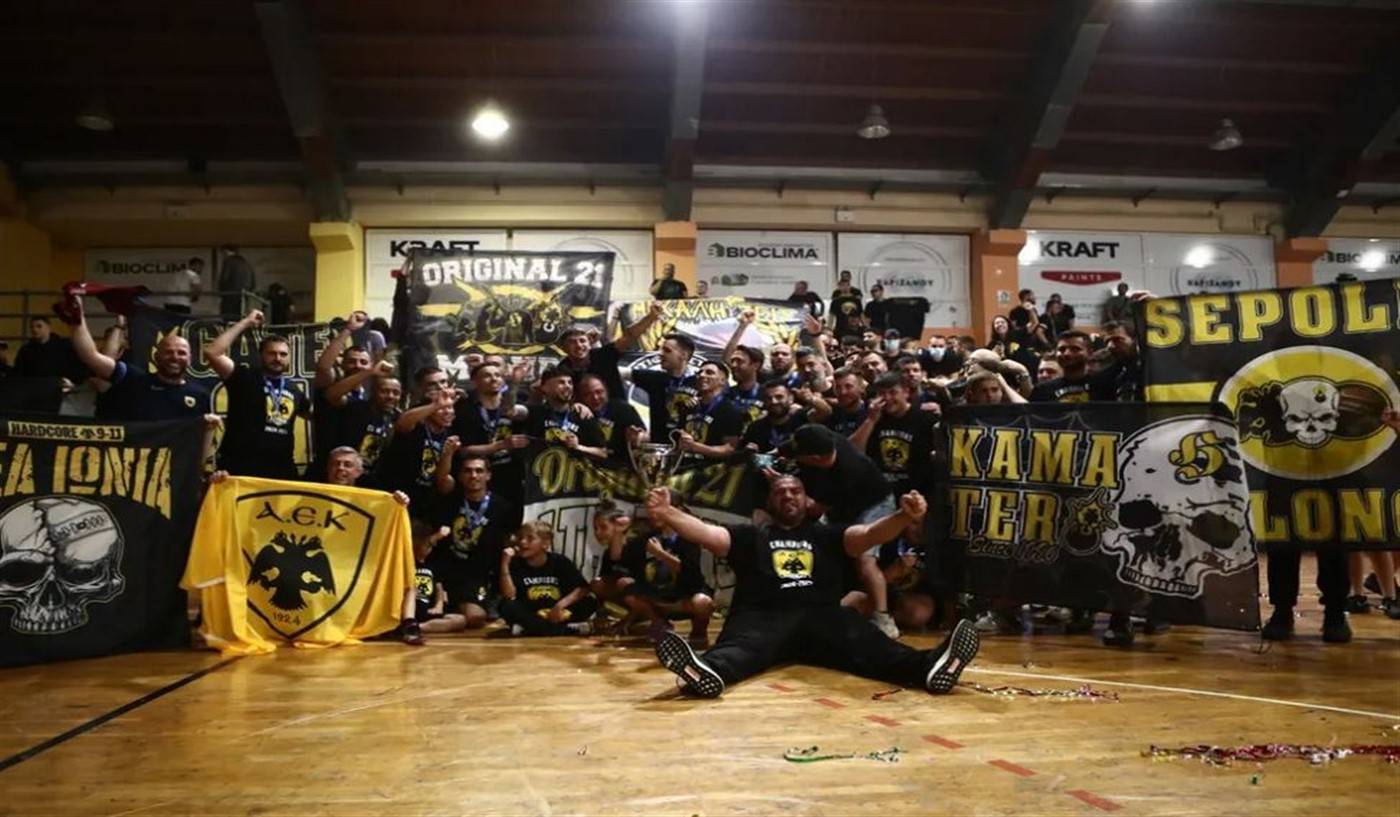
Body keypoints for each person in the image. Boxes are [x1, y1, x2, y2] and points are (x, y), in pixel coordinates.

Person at [647, 480, 979, 698]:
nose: (788, 495)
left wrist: (903, 517)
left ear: (807, 500)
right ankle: (703, 672)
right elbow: (706, 533)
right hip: (764, 616)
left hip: (822, 617)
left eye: (795, 491)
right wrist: (667, 512)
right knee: (740, 651)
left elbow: (869, 535)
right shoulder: (750, 535)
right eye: (780, 492)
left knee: (873, 646)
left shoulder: (828, 535)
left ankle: (929, 667)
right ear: (769, 501)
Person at [782, 424, 900, 639]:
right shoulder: (825, 441)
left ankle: (883, 617)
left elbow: (820, 509)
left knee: (865, 559)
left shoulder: (849, 471)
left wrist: (802, 500)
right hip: (842, 506)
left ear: (815, 458)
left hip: (874, 504)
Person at [204, 309, 311, 479]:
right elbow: (212, 353)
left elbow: (319, 415)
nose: (278, 358)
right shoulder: (243, 377)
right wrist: (246, 322)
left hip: (281, 470)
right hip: (240, 467)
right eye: (272, 353)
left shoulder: (294, 389)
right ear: (261, 355)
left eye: (283, 354)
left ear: (289, 358)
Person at [69, 297, 211, 421]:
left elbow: (203, 433)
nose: (175, 357)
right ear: (156, 356)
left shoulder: (200, 395)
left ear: (190, 359)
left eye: (181, 353)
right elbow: (91, 357)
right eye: (168, 352)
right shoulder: (134, 380)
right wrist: (77, 320)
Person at [429, 453, 521, 629]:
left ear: (488, 475)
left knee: (475, 617)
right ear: (460, 476)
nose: (473, 475)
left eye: (479, 471)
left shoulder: (503, 507)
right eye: (468, 471)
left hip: (476, 575)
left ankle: (448, 618)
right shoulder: (448, 502)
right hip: (444, 569)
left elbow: (508, 542)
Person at [619, 523, 714, 646]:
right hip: (657, 596)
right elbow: (622, 560)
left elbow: (689, 571)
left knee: (702, 603)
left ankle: (698, 632)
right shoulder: (646, 538)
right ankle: (660, 625)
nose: (653, 515)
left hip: (684, 597)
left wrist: (660, 553)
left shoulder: (689, 540)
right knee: (629, 591)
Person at [498, 523, 596, 636]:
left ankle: (530, 629)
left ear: (545, 543)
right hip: (531, 613)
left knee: (589, 601)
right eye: (520, 538)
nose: (523, 542)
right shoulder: (515, 564)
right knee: (506, 606)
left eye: (530, 538)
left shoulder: (560, 561)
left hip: (557, 611)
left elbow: (582, 588)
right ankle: (564, 629)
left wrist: (560, 606)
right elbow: (509, 595)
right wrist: (504, 564)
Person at [452, 361, 529, 504]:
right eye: (487, 376)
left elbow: (511, 411)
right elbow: (463, 451)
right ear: (475, 381)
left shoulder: (513, 404)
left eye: (497, 375)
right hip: (476, 478)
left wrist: (514, 383)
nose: (494, 379)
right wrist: (500, 445)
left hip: (510, 477)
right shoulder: (464, 409)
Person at [851, 373, 935, 500]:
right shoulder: (872, 417)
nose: (887, 398)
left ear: (906, 392)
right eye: (882, 394)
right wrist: (871, 420)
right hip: (881, 493)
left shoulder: (925, 419)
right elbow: (853, 451)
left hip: (915, 493)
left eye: (893, 392)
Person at [557, 301, 664, 399]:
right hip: (585, 412)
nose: (579, 345)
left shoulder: (604, 355)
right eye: (572, 342)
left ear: (590, 343)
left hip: (616, 409)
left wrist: (651, 317)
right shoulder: (562, 369)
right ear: (563, 348)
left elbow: (629, 336)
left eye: (582, 341)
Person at [402, 521, 467, 646]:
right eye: (427, 545)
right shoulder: (407, 562)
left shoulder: (431, 565)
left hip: (426, 611)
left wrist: (439, 605)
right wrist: (438, 535)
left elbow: (438, 587)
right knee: (411, 587)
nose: (430, 548)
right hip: (408, 609)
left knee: (460, 620)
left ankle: (416, 627)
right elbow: (426, 540)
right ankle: (408, 624)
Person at [524, 366, 609, 459]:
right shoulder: (535, 412)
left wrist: (578, 447)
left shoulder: (582, 415)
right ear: (545, 387)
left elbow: (603, 453)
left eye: (570, 382)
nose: (567, 386)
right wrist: (514, 384)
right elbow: (513, 411)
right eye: (561, 382)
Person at [630, 333, 698, 443]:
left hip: (691, 448)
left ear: (683, 355)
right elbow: (614, 372)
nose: (660, 354)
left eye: (667, 350)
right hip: (659, 447)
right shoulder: (655, 378)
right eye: (661, 350)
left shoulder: (701, 382)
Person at [678, 360, 743, 461]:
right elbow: (679, 434)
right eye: (699, 372)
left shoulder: (730, 410)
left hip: (712, 467)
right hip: (684, 464)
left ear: (722, 381)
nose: (702, 375)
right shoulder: (689, 406)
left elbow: (730, 449)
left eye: (709, 372)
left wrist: (697, 447)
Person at [742, 379, 827, 454]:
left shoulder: (802, 417)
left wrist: (810, 399)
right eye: (769, 398)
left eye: (779, 397)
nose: (774, 402)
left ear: (790, 398)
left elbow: (825, 411)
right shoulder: (756, 427)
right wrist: (749, 451)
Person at [576, 374, 645, 462]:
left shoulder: (623, 408)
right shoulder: (579, 413)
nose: (595, 398)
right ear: (581, 398)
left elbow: (645, 435)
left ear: (606, 391)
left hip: (622, 463)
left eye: (599, 392)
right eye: (587, 394)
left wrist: (639, 437)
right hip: (591, 464)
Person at [1029, 331, 1106, 403]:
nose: (1066, 353)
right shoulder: (1042, 390)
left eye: (1075, 349)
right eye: (1062, 349)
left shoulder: (1104, 385)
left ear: (1090, 353)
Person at [15, 316, 81, 381]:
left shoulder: (64, 346)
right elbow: (19, 371)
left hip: (59, 384)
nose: (34, 330)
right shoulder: (26, 350)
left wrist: (72, 381)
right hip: (34, 385)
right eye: (32, 327)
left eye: (39, 326)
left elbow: (74, 366)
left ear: (48, 327)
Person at [725, 344, 766, 433]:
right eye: (732, 361)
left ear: (755, 365)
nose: (733, 365)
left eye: (739, 361)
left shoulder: (767, 395)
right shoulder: (725, 394)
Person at [216, 244, 257, 320]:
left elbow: (224, 278)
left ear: (226, 251)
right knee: (240, 316)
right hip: (244, 295)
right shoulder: (245, 262)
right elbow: (253, 281)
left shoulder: (229, 261)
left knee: (228, 317)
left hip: (230, 294)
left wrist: (221, 291)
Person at [824, 368, 868, 437]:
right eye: (838, 387)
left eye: (848, 386)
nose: (843, 392)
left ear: (861, 388)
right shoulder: (831, 414)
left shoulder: (871, 412)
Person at [829, 270, 864, 338]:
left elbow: (861, 314)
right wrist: (829, 329)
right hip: (840, 327)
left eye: (846, 285)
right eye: (842, 285)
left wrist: (865, 326)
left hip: (854, 328)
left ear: (849, 286)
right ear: (839, 287)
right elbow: (831, 316)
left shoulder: (856, 300)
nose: (845, 287)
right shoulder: (835, 300)